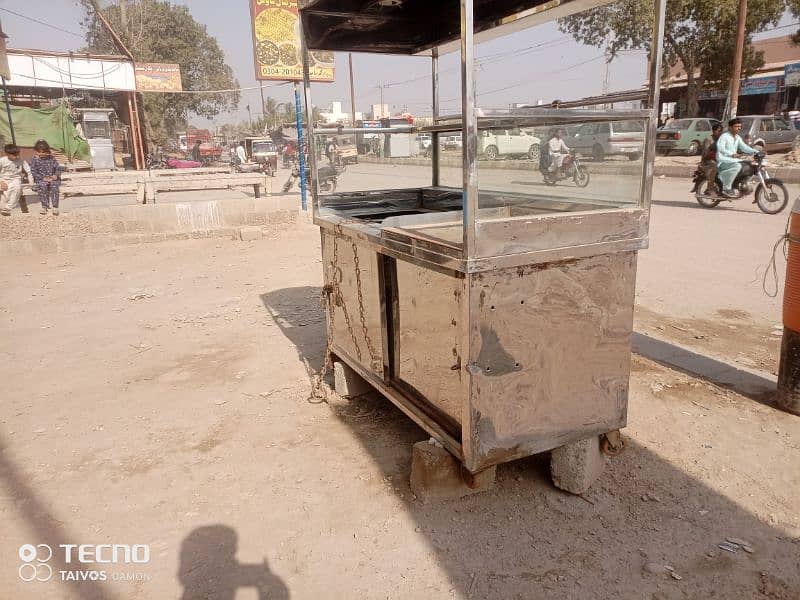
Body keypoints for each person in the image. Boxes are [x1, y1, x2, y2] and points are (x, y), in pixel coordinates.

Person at [717, 118, 757, 197]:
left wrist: (756, 152)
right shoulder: (724, 136)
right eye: (736, 126)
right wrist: (731, 154)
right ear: (730, 127)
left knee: (750, 165)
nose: (739, 128)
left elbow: (744, 147)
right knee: (737, 166)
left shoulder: (737, 137)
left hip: (733, 160)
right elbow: (721, 148)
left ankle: (740, 185)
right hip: (723, 161)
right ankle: (726, 189)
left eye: (740, 126)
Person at [30, 139, 62, 216]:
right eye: (39, 152)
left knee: (54, 186)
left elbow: (58, 168)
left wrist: (56, 175)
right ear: (36, 151)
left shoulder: (51, 158)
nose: (41, 154)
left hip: (52, 179)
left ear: (47, 151)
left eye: (43, 152)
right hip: (41, 179)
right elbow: (33, 171)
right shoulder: (34, 159)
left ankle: (55, 207)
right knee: (42, 186)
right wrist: (42, 178)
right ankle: (44, 206)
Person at [0, 143, 33, 216]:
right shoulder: (2, 161)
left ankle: (8, 208)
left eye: (18, 154)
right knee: (5, 197)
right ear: (7, 154)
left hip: (15, 179)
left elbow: (29, 171)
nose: (17, 156)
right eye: (14, 155)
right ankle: (4, 209)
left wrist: (31, 182)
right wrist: (1, 182)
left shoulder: (21, 160)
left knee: (17, 189)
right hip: (3, 180)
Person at [691, 122, 723, 194]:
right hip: (708, 161)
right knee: (714, 166)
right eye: (718, 130)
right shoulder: (709, 139)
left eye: (721, 131)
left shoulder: (720, 139)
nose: (720, 132)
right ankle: (710, 189)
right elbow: (705, 154)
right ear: (713, 131)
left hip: (718, 159)